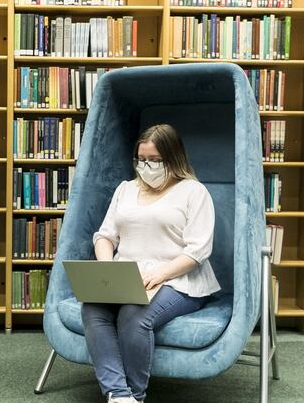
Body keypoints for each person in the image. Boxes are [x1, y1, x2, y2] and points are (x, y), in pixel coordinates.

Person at [81, 124, 220, 403]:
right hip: (127, 275)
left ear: (173, 158)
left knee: (134, 314)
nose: (147, 166)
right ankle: (119, 395)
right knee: (92, 307)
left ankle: (135, 393)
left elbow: (198, 251)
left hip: (179, 279)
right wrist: (107, 267)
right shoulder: (126, 189)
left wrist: (160, 273)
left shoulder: (194, 192)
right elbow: (105, 235)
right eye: (141, 159)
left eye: (155, 160)